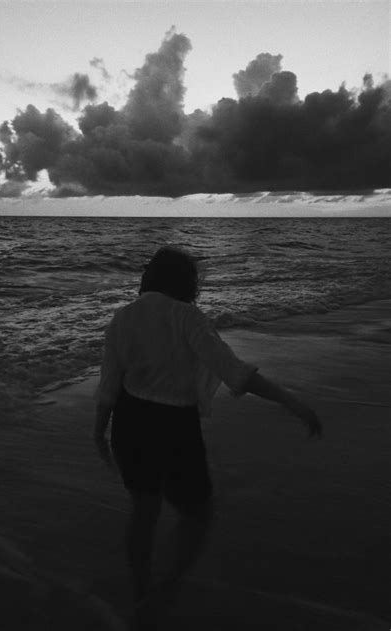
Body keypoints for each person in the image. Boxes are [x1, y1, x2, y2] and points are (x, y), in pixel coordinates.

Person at [93, 246, 322, 627]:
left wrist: (99, 431)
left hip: (130, 423)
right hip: (174, 427)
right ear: (186, 282)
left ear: (149, 278)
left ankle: (140, 593)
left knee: (144, 511)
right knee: (198, 515)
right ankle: (166, 589)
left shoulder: (122, 318)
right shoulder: (187, 316)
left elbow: (109, 385)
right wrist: (291, 401)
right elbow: (235, 371)